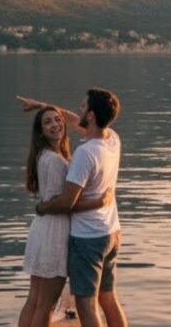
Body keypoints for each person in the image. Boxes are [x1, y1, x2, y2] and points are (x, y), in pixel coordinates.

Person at [22, 89, 128, 327]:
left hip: (88, 238)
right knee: (108, 298)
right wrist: (42, 104)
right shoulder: (112, 138)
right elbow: (71, 119)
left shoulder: (84, 153)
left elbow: (67, 202)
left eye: (82, 107)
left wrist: (43, 207)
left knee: (86, 305)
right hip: (112, 231)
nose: (76, 111)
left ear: (90, 115)